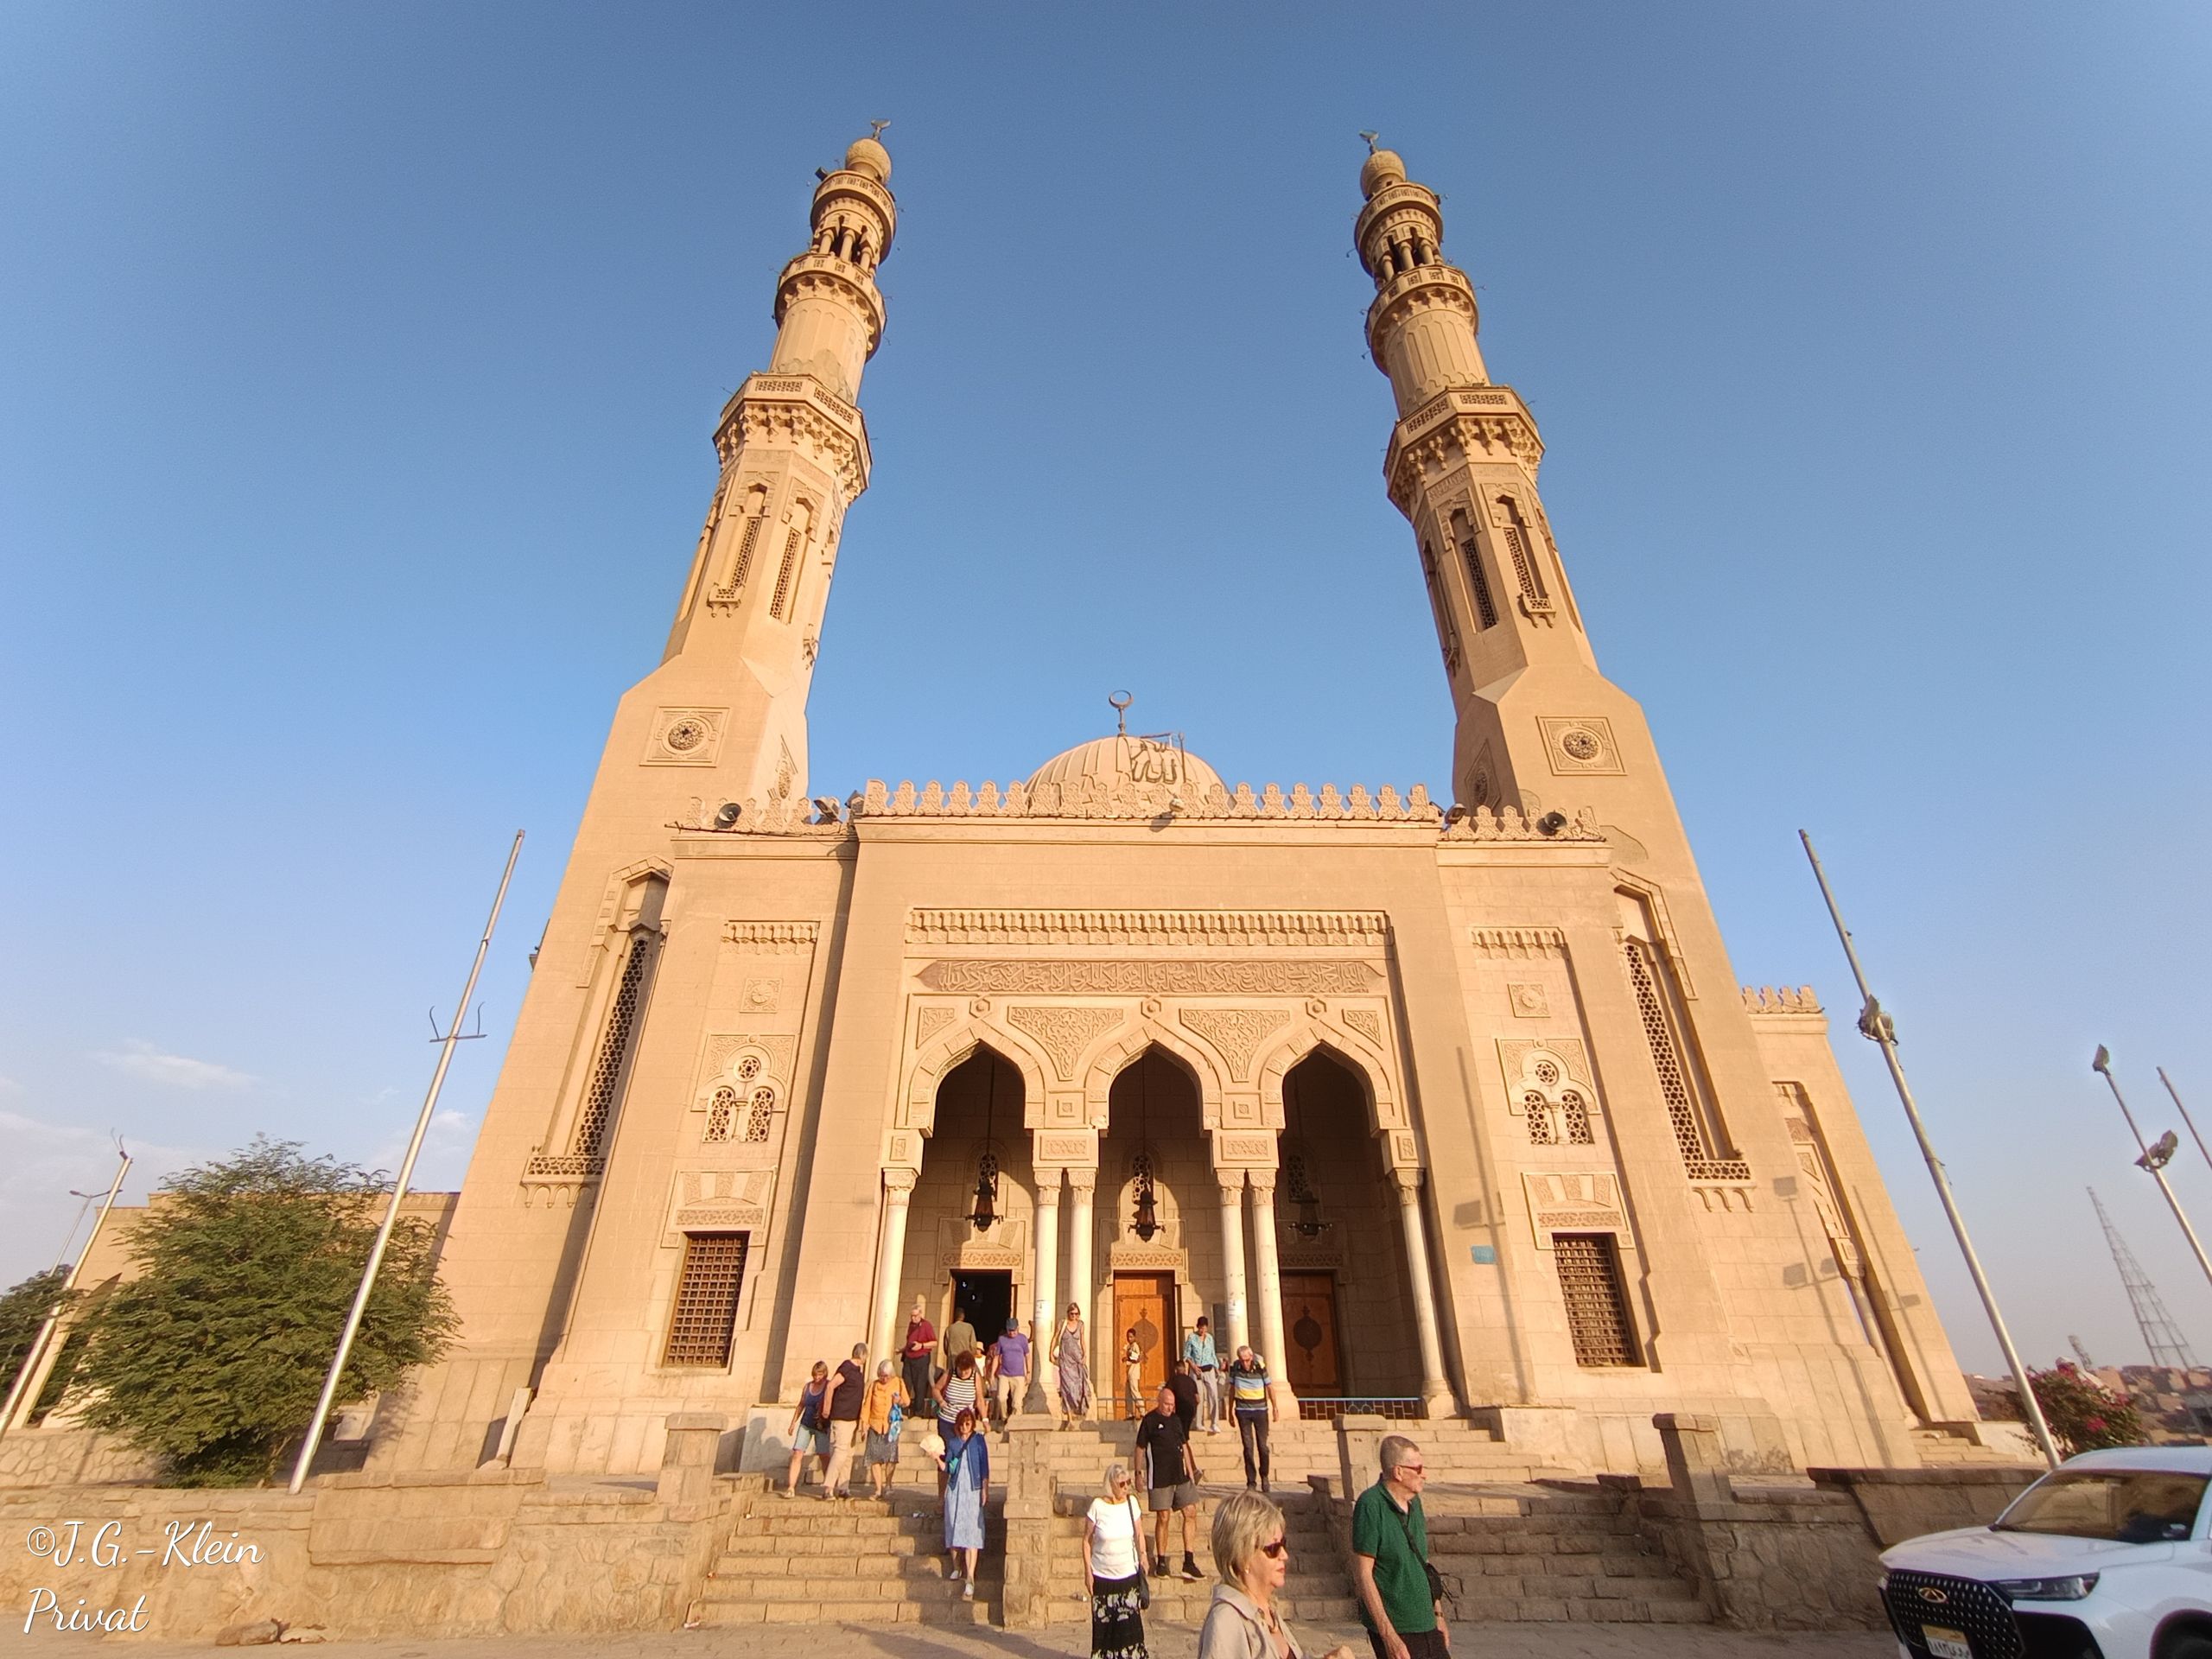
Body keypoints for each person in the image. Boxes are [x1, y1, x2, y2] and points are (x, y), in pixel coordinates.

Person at [1197, 1490, 1356, 1659]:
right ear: (1243, 1557)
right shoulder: (1227, 1621)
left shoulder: (1266, 1610)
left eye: (1283, 1544)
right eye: (1273, 1549)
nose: (1284, 1555)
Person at [1351, 1434, 1447, 1659]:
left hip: (1427, 1622)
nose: (1424, 1474)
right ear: (1398, 1472)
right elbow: (1364, 1574)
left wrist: (1438, 1614)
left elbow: (1423, 1563)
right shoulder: (1370, 1505)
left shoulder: (1415, 1503)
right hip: (1398, 1626)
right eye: (1418, 1468)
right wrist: (1389, 1636)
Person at [1135, 1382, 1204, 1582]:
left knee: (1190, 1511)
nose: (1170, 1408)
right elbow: (1140, 1448)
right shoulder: (1149, 1421)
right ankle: (1162, 1561)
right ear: (1159, 1402)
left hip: (1180, 1476)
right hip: (1160, 1477)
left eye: (1172, 1405)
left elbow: (1184, 1445)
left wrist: (1190, 1470)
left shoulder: (1176, 1420)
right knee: (1163, 1517)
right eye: (1166, 1404)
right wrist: (1138, 1473)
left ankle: (1189, 1560)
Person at [1084, 1462, 1150, 1659]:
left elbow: (1139, 1533)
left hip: (1127, 1574)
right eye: (1122, 1484)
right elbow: (1086, 1540)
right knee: (1105, 1629)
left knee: (1129, 1627)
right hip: (1103, 1576)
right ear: (1111, 1484)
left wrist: (1143, 1555)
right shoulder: (1098, 1506)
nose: (1126, 1487)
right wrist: (1087, 1572)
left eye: (1128, 1482)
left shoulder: (1132, 1503)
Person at [938, 1407, 990, 1600]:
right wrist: (936, 1457)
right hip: (956, 1488)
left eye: (968, 1424)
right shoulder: (953, 1443)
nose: (965, 1427)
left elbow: (984, 1466)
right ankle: (956, 1566)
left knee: (972, 1532)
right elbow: (948, 1467)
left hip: (973, 1488)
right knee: (953, 1525)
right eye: (962, 1424)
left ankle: (970, 1577)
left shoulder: (978, 1441)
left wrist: (985, 1489)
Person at [822, 1341, 868, 1498]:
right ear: (862, 1355)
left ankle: (843, 1487)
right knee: (840, 1453)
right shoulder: (847, 1368)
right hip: (842, 1416)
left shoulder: (858, 1372)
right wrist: (827, 1408)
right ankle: (828, 1488)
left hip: (852, 1418)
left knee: (848, 1455)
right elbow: (831, 1386)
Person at [1228, 1345, 1274, 1493]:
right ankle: (1251, 1481)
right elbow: (1231, 1389)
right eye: (1242, 1360)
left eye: (1247, 1360)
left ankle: (1264, 1475)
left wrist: (1275, 1407)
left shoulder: (1260, 1366)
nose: (1245, 1363)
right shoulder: (1235, 1367)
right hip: (1243, 1412)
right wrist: (1229, 1410)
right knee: (1248, 1447)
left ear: (1251, 1357)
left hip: (1260, 1411)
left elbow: (1269, 1387)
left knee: (1263, 1447)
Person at [861, 1357, 909, 1500]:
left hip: (891, 1426)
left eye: (886, 1376)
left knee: (891, 1457)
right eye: (881, 1376)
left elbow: (906, 1401)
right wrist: (864, 1424)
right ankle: (878, 1489)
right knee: (874, 1458)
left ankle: (888, 1484)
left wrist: (899, 1401)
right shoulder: (874, 1385)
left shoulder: (898, 1382)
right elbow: (867, 1405)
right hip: (875, 1425)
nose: (884, 1379)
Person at [782, 1360, 832, 1498]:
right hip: (806, 1424)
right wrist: (793, 1423)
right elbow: (801, 1405)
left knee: (824, 1456)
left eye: (820, 1375)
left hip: (822, 1426)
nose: (817, 1378)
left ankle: (828, 1488)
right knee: (797, 1453)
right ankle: (791, 1487)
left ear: (825, 1374)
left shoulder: (828, 1386)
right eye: (815, 1375)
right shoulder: (808, 1387)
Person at [933, 1349, 981, 1493]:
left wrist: (985, 1419)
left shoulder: (975, 1377)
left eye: (966, 1371)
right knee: (946, 1455)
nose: (963, 1373)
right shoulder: (950, 1374)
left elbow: (979, 1399)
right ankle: (942, 1495)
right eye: (961, 1370)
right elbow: (936, 1389)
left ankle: (959, 1491)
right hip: (947, 1421)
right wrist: (941, 1401)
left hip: (965, 1423)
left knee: (963, 1455)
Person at [1056, 1301, 1093, 1428]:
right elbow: (1055, 1337)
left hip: (1077, 1359)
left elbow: (1082, 1340)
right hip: (1065, 1359)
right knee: (1066, 1388)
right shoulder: (1062, 1324)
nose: (1074, 1316)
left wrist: (1085, 1355)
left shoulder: (1081, 1324)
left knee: (1079, 1386)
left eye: (1077, 1314)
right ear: (1068, 1313)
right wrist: (1051, 1353)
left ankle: (1078, 1409)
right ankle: (1069, 1417)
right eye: (1072, 1314)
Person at [987, 1317, 1030, 1425]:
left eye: (1014, 1330)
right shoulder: (1002, 1339)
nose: (1012, 1333)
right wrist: (992, 1374)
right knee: (1001, 1398)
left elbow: (1027, 1356)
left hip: (1018, 1374)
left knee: (1017, 1403)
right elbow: (997, 1357)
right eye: (1010, 1330)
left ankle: (1016, 1423)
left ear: (1018, 1328)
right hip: (1004, 1374)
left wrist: (1028, 1372)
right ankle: (1004, 1418)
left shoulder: (1023, 1339)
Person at [1184, 1317, 1223, 1434]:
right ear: (1198, 1327)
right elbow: (1187, 1355)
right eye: (1201, 1328)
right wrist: (1193, 1366)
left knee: (1213, 1395)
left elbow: (1212, 1354)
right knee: (1199, 1397)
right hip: (1197, 1370)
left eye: (1204, 1328)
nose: (1202, 1330)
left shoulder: (1210, 1338)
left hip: (1209, 1369)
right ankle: (1198, 1423)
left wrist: (1217, 1368)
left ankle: (1214, 1423)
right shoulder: (1191, 1337)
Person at [900, 1294, 938, 1413]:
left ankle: (918, 1411)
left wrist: (921, 1345)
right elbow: (910, 1342)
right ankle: (904, 1409)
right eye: (912, 1316)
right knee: (906, 1384)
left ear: (921, 1314)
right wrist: (902, 1350)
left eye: (915, 1316)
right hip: (908, 1358)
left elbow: (934, 1342)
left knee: (919, 1385)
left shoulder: (927, 1325)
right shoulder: (911, 1325)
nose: (913, 1318)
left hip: (921, 1358)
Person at [1168, 1359, 1200, 1440]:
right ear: (1185, 1370)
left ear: (1175, 1370)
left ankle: (1184, 1446)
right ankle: (1185, 1443)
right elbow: (1198, 1399)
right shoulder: (1191, 1381)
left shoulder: (1173, 1380)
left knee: (1180, 1432)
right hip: (1191, 1409)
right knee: (1185, 1431)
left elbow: (1167, 1394)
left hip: (1180, 1409)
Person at [944, 1304, 978, 1371]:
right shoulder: (969, 1327)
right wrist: (971, 1356)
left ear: (954, 1317)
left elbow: (946, 1347)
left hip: (952, 1358)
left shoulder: (949, 1329)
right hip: (965, 1358)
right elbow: (973, 1345)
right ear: (963, 1316)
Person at [1122, 1327, 1144, 1419]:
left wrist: (1127, 1358)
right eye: (1128, 1337)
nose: (1129, 1339)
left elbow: (1137, 1358)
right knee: (1128, 1393)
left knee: (1135, 1391)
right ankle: (1130, 1413)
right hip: (1129, 1372)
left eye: (1131, 1337)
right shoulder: (1129, 1346)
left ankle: (1142, 1411)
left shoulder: (1135, 1346)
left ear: (1134, 1337)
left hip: (1134, 1372)